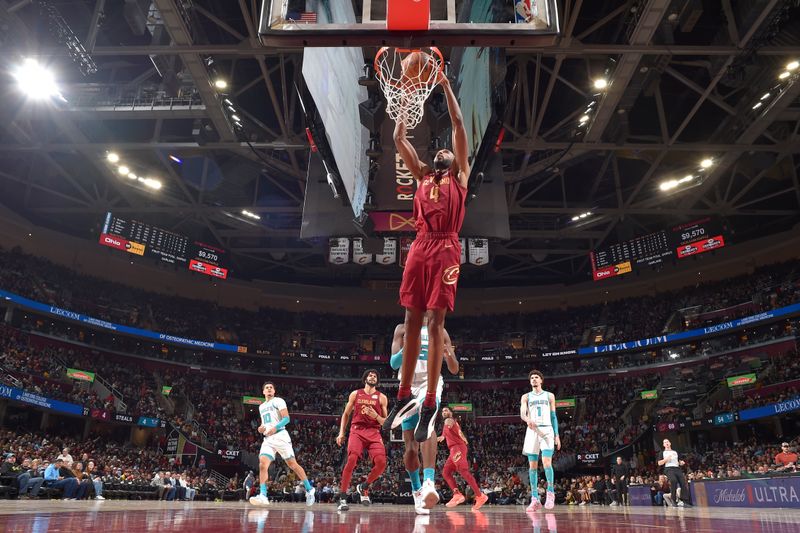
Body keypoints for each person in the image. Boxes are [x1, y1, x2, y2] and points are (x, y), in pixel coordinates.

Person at [384, 67, 470, 445]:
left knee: (436, 322)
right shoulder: (421, 177)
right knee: (411, 317)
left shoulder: (461, 177)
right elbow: (399, 136)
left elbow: (457, 121)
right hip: (420, 246)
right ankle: (404, 395)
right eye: (438, 148)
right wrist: (404, 94)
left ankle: (432, 398)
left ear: (453, 160)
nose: (442, 150)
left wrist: (446, 84)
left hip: (448, 245)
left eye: (447, 149)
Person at [390, 314, 459, 512]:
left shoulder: (441, 330)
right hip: (408, 384)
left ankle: (429, 481)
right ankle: (416, 490)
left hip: (432, 383)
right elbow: (394, 364)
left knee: (427, 420)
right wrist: (409, 346)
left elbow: (454, 369)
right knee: (411, 449)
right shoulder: (402, 329)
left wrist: (449, 356)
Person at [249, 381, 316, 507]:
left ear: (274, 391)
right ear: (263, 392)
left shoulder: (278, 401)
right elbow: (265, 423)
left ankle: (309, 488)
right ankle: (263, 495)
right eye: (266, 388)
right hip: (268, 439)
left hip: (280, 436)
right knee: (262, 464)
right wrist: (261, 428)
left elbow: (286, 418)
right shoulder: (261, 406)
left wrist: (275, 428)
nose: (269, 389)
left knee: (292, 465)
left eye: (271, 388)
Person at [336, 369, 388, 511]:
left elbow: (386, 422)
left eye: (375, 376)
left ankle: (364, 486)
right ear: (365, 378)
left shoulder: (382, 397)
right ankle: (342, 497)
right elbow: (346, 414)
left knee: (382, 463)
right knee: (352, 459)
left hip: (374, 432)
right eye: (370, 375)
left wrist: (375, 416)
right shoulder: (356, 394)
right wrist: (341, 433)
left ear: (377, 381)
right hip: (357, 430)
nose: (372, 377)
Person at [520, 370, 561, 511]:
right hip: (532, 431)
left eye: (536, 377)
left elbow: (554, 416)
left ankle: (550, 493)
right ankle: (535, 498)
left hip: (547, 430)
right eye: (532, 377)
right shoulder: (526, 396)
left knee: (546, 462)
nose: (534, 379)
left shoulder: (550, 396)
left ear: (541, 380)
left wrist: (557, 435)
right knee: (532, 467)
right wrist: (527, 419)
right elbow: (522, 413)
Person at [438, 406, 489, 511]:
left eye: (446, 410)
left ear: (451, 413)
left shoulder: (449, 420)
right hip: (454, 449)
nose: (443, 412)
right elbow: (445, 435)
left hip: (457, 448)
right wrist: (437, 437)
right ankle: (457, 494)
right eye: (442, 411)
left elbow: (450, 423)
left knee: (463, 471)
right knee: (446, 472)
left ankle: (480, 496)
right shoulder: (446, 424)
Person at [657, 439, 691, 507]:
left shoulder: (675, 452)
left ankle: (685, 501)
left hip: (677, 468)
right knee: (673, 480)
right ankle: (673, 499)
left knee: (683, 482)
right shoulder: (662, 452)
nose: (666, 443)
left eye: (667, 442)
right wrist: (666, 459)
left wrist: (681, 463)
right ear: (663, 445)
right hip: (668, 468)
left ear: (670, 443)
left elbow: (679, 461)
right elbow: (659, 463)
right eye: (665, 442)